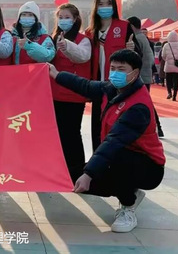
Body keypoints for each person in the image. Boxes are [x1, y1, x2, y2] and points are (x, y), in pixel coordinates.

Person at [49, 49, 165, 233]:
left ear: (135, 73)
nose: (115, 73)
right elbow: (85, 85)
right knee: (73, 178)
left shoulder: (138, 106)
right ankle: (130, 190)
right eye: (113, 68)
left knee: (114, 158)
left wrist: (89, 174)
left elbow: (114, 141)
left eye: (121, 69)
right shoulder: (111, 90)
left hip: (148, 167)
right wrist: (56, 74)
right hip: (122, 159)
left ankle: (128, 206)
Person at [86, 0, 134, 151]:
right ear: (96, 7)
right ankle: (96, 158)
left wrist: (133, 49)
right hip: (98, 86)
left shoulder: (124, 27)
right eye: (101, 4)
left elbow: (137, 58)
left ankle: (114, 160)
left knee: (115, 126)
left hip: (118, 85)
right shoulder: (90, 32)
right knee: (97, 126)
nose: (105, 7)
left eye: (108, 3)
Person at [50, 3, 91, 182]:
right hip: (54, 94)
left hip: (74, 94)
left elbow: (82, 56)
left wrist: (66, 45)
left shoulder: (83, 40)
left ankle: (76, 171)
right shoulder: (53, 38)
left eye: (67, 17)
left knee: (72, 133)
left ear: (75, 19)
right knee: (57, 133)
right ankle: (59, 169)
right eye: (60, 17)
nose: (63, 20)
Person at [127, 17, 164, 137]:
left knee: (144, 103)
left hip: (141, 75)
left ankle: (155, 127)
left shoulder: (137, 38)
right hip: (146, 74)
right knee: (145, 102)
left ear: (132, 26)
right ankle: (156, 127)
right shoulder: (143, 38)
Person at [161, 32, 178, 101]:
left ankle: (169, 92)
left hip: (168, 66)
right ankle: (174, 96)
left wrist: (167, 60)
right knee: (176, 81)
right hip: (177, 66)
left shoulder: (166, 45)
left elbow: (163, 55)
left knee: (168, 80)